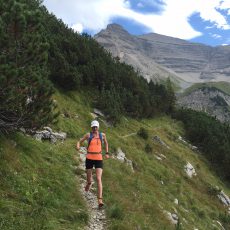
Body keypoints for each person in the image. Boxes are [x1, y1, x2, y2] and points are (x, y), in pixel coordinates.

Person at [76, 120, 109, 208]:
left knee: (98, 178)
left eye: (96, 127)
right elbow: (80, 141)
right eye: (93, 127)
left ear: (98, 127)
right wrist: (78, 146)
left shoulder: (103, 135)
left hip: (98, 159)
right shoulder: (88, 135)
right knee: (89, 180)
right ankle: (88, 184)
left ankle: (100, 200)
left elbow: (106, 143)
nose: (94, 128)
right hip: (89, 159)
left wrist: (107, 152)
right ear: (91, 127)